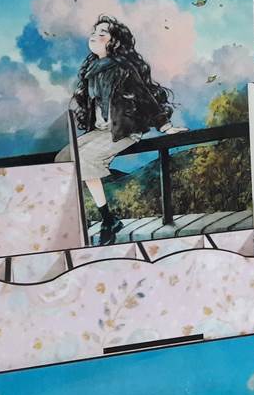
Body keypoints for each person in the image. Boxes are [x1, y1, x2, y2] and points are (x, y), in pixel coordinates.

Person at [56, 15, 187, 245]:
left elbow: (146, 96)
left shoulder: (123, 69)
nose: (95, 36)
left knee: (85, 159)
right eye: (94, 32)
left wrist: (165, 126)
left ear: (114, 42)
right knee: (63, 158)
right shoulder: (92, 70)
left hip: (124, 130)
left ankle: (108, 219)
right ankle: (79, 213)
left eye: (102, 33)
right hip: (101, 130)